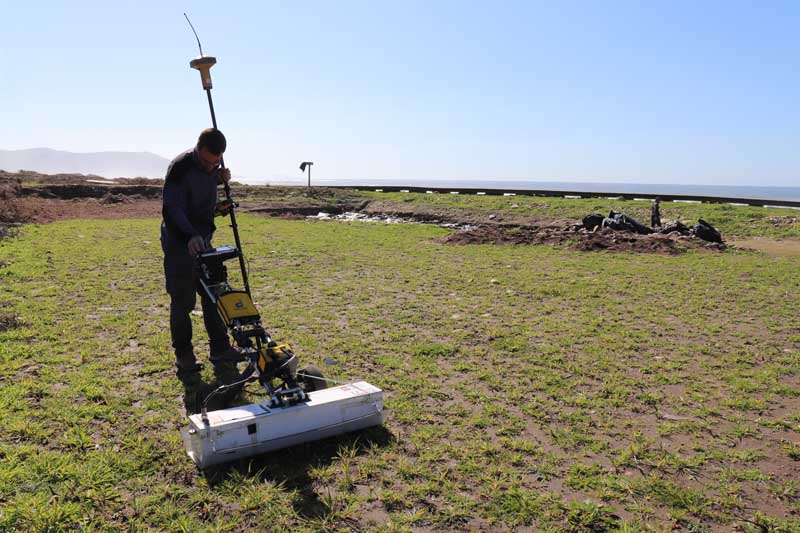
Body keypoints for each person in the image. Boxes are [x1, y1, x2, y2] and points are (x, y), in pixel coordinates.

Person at [160, 128, 240, 413]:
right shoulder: (180, 167)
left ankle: (220, 349)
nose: (209, 167)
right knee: (183, 300)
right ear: (197, 149)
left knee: (213, 295)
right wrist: (190, 235)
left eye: (215, 164)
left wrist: (220, 191)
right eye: (206, 162)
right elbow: (172, 209)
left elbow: (205, 206)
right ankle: (184, 355)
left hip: (204, 240)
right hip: (179, 240)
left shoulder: (213, 170)